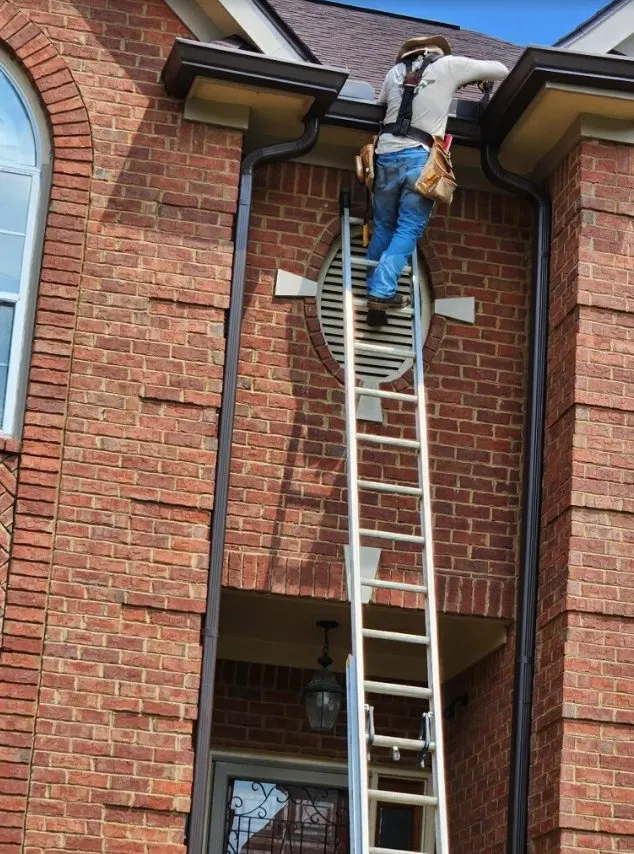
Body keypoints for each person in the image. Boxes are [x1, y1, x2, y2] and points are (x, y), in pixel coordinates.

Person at [366, 36, 509, 322]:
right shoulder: (448, 65)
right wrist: (464, 80)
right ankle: (381, 291)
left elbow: (381, 103)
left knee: (383, 224)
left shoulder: (393, 73)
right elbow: (500, 70)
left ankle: (374, 293)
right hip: (419, 158)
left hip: (385, 155)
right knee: (408, 228)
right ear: (437, 50)